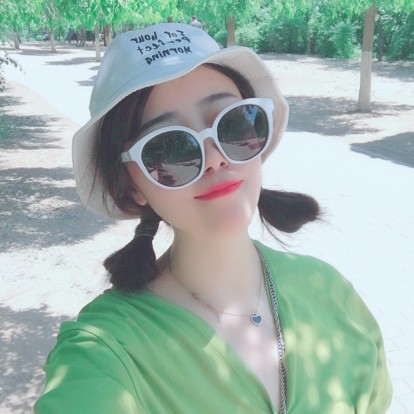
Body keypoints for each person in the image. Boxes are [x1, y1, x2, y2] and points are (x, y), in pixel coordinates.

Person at [34, 23, 392, 413]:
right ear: (132, 185)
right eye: (170, 148)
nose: (215, 158)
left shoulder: (330, 292)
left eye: (234, 124)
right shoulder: (108, 350)